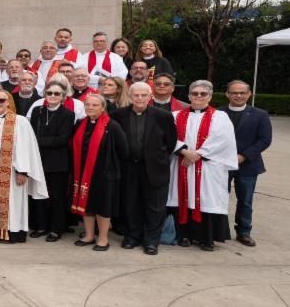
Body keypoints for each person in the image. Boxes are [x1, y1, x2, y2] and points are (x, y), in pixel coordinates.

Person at [167, 80, 238, 251]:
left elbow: (222, 139)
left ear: (210, 96)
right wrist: (184, 151)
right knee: (182, 197)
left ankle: (206, 238)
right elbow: (168, 136)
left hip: (208, 167)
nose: (198, 96)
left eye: (203, 94)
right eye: (195, 93)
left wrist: (197, 154)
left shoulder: (220, 117)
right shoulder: (175, 115)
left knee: (206, 199)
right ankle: (184, 235)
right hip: (181, 163)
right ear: (189, 96)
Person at [109, 82, 177, 255]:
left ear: (150, 96)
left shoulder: (163, 116)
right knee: (130, 203)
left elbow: (170, 143)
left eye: (143, 95)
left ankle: (151, 241)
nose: (139, 98)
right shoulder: (117, 115)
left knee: (155, 205)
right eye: (136, 95)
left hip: (154, 168)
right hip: (128, 167)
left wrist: (155, 158)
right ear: (130, 96)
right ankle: (132, 236)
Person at [0, 89, 47, 243]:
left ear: (8, 102)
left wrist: (23, 171)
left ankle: (13, 232)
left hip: (12, 171)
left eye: (1, 100)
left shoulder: (19, 121)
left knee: (13, 202)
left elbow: (26, 147)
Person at [69, 94, 126, 251]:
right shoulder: (80, 124)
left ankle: (103, 239)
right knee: (87, 206)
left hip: (104, 174)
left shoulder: (112, 126)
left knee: (102, 207)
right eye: (87, 105)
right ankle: (89, 235)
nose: (90, 108)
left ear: (102, 108)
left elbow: (124, 150)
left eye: (94, 105)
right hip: (82, 173)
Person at [223, 80, 272, 247]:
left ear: (249, 94)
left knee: (245, 200)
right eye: (234, 92)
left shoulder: (260, 114)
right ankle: (219, 230)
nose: (238, 95)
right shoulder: (218, 113)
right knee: (220, 198)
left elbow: (265, 140)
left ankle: (243, 232)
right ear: (227, 94)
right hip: (222, 164)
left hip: (248, 165)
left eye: (242, 92)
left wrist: (244, 156)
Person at [28, 79, 76, 242]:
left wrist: (36, 141)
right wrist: (36, 140)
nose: (53, 96)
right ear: (45, 95)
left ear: (63, 97)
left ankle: (56, 229)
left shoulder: (68, 114)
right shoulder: (37, 111)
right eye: (49, 93)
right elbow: (31, 133)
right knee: (38, 195)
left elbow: (61, 139)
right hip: (38, 160)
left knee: (57, 197)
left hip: (58, 163)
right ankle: (41, 226)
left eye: (57, 93)